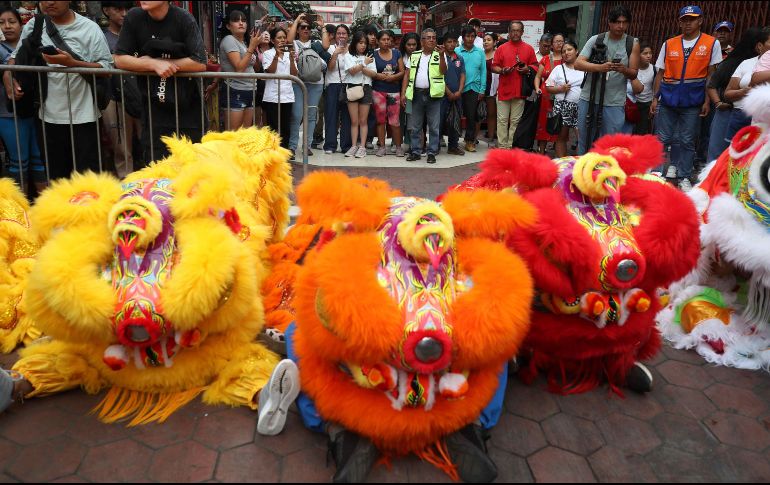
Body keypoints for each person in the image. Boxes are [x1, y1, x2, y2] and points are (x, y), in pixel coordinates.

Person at [5, 0, 113, 180]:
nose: (50, 2)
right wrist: (8, 76)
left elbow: (107, 69)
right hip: (47, 116)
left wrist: (73, 64)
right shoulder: (34, 24)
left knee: (87, 180)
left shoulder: (89, 28)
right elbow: (15, 58)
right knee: (56, 179)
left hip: (84, 117)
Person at [114, 0, 207, 166]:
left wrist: (163, 63)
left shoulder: (184, 18)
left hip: (187, 108)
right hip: (153, 108)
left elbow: (199, 62)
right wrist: (153, 64)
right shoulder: (134, 17)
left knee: (191, 164)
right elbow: (120, 59)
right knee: (156, 164)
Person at [652, 5, 721, 191]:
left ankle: (683, 176)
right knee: (662, 138)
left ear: (700, 20)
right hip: (667, 99)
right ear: (679, 22)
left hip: (693, 101)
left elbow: (711, 75)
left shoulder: (711, 43)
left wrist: (707, 101)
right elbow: (660, 73)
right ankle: (656, 174)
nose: (688, 23)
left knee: (687, 140)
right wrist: (654, 98)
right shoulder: (669, 43)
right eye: (684, 19)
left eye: (692, 19)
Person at [575, 5, 640, 155]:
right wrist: (600, 67)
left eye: (624, 22)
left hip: (614, 102)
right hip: (589, 98)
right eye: (617, 22)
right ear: (609, 23)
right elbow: (578, 63)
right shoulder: (596, 39)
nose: (621, 26)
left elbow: (634, 73)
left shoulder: (632, 43)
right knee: (585, 140)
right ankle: (582, 173)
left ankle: (605, 174)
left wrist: (623, 69)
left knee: (610, 144)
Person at [0, 6, 44, 193]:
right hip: (7, 113)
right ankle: (22, 212)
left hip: (34, 110)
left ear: (21, 24)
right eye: (1, 22)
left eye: (12, 21)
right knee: (19, 161)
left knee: (38, 158)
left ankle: (45, 209)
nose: (7, 26)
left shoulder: (32, 45)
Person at [707, 27, 768, 161]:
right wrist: (719, 102)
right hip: (737, 113)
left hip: (764, 119)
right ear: (759, 46)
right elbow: (715, 86)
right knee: (727, 156)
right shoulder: (745, 63)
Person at [101, 1, 140, 178]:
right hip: (114, 97)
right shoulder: (102, 38)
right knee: (122, 148)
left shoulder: (138, 35)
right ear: (106, 11)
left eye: (127, 9)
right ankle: (126, 187)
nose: (124, 14)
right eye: (118, 9)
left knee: (147, 142)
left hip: (141, 95)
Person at [287, 13, 329, 161]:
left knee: (311, 116)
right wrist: (297, 19)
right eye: (302, 27)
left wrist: (322, 26)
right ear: (298, 29)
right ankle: (292, 146)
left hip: (316, 84)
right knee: (296, 114)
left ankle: (307, 146)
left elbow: (326, 45)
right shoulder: (294, 43)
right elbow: (288, 39)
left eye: (308, 27)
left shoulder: (316, 43)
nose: (306, 29)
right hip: (298, 83)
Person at [402, 28, 447, 164]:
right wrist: (403, 93)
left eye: (434, 37)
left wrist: (441, 56)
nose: (432, 40)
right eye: (429, 37)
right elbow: (407, 74)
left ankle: (432, 152)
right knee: (415, 126)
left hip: (433, 95)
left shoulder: (440, 54)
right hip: (416, 94)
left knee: (434, 126)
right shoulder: (414, 55)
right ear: (422, 40)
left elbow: (443, 71)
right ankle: (415, 151)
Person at [492, 21, 538, 150]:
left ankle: (511, 146)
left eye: (518, 30)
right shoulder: (502, 48)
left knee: (515, 122)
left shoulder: (528, 48)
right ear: (509, 31)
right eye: (513, 30)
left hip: (520, 91)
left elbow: (535, 66)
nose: (515, 33)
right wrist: (502, 70)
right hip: (503, 90)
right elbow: (494, 66)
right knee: (502, 120)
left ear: (522, 32)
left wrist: (527, 69)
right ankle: (502, 147)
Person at [722, 28, 770, 146]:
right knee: (736, 156)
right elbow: (727, 93)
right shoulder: (747, 63)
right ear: (759, 46)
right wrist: (744, 92)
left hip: (763, 115)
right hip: (741, 114)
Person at [218, 10, 260, 132]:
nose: (241, 23)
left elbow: (256, 68)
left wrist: (254, 47)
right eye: (236, 20)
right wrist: (252, 48)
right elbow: (239, 67)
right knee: (233, 135)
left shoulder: (245, 43)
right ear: (228, 26)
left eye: (244, 20)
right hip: (235, 89)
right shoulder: (229, 40)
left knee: (244, 135)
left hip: (250, 89)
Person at [544, 40, 585, 158]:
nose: (566, 53)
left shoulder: (584, 68)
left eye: (569, 50)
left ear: (576, 51)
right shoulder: (558, 69)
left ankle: (580, 164)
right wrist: (561, 89)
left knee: (581, 137)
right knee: (561, 136)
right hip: (563, 105)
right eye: (563, 51)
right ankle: (563, 163)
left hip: (581, 105)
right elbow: (548, 87)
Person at [262, 27, 296, 149]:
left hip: (287, 95)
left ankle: (284, 152)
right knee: (273, 126)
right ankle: (273, 151)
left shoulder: (289, 53)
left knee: (286, 126)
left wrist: (292, 59)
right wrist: (276, 56)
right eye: (279, 37)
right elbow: (270, 71)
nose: (282, 40)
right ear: (272, 40)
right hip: (272, 96)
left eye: (284, 37)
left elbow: (294, 74)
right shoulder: (267, 54)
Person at [342, 30, 375, 158]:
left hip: (366, 88)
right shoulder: (348, 56)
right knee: (354, 121)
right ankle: (353, 146)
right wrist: (364, 64)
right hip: (352, 88)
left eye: (365, 43)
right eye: (360, 42)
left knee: (363, 120)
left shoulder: (370, 56)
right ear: (355, 43)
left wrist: (361, 67)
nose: (363, 45)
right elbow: (351, 71)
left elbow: (374, 74)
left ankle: (362, 147)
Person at [371, 29, 403, 157]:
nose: (386, 42)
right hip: (378, 91)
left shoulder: (396, 53)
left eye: (388, 39)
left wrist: (393, 78)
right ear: (378, 41)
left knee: (395, 121)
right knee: (380, 120)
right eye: (383, 39)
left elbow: (402, 72)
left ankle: (398, 146)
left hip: (394, 92)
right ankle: (382, 147)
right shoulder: (373, 54)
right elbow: (370, 72)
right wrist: (382, 77)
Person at [322, 24, 352, 154]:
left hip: (348, 85)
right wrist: (335, 54)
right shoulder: (330, 49)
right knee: (331, 116)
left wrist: (346, 53)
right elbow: (330, 68)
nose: (341, 36)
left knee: (347, 117)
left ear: (348, 35)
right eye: (339, 33)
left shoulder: (352, 50)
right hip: (333, 85)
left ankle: (346, 145)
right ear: (335, 35)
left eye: (344, 33)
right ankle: (330, 145)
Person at [456, 25, 485, 153]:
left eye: (473, 36)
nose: (470, 38)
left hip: (474, 87)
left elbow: (483, 71)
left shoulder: (480, 52)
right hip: (457, 88)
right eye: (468, 36)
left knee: (471, 116)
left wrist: (482, 89)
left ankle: (469, 141)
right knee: (455, 115)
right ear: (463, 37)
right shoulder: (456, 51)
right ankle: (453, 140)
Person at [533, 33, 564, 154]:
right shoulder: (545, 59)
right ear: (552, 44)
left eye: (561, 41)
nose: (559, 44)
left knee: (559, 121)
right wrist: (537, 88)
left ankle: (558, 150)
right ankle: (541, 150)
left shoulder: (567, 59)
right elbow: (538, 76)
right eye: (556, 41)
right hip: (546, 96)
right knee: (543, 122)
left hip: (561, 95)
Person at [622, 41, 655, 135]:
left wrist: (653, 103)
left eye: (650, 53)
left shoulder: (654, 69)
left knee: (641, 132)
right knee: (627, 131)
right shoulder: (630, 69)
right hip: (631, 104)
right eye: (645, 53)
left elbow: (655, 87)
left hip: (645, 104)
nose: (649, 56)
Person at [440, 34, 465, 155]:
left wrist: (459, 91)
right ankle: (436, 145)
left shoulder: (459, 58)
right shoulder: (440, 57)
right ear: (444, 43)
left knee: (455, 120)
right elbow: (438, 77)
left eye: (454, 41)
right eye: (449, 41)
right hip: (443, 95)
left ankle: (453, 146)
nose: (451, 44)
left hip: (457, 95)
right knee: (440, 120)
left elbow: (462, 75)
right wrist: (448, 92)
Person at [398, 32, 419, 151]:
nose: (411, 47)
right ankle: (398, 142)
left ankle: (411, 142)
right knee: (400, 117)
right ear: (404, 45)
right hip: (399, 89)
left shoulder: (421, 55)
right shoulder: (399, 55)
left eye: (414, 44)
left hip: (415, 91)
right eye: (409, 44)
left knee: (412, 117)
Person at [481, 32, 499, 147]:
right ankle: (473, 139)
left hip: (493, 88)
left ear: (494, 42)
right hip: (480, 88)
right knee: (477, 114)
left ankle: (491, 137)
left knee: (492, 114)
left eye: (489, 40)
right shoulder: (479, 54)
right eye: (484, 40)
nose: (486, 42)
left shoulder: (498, 55)